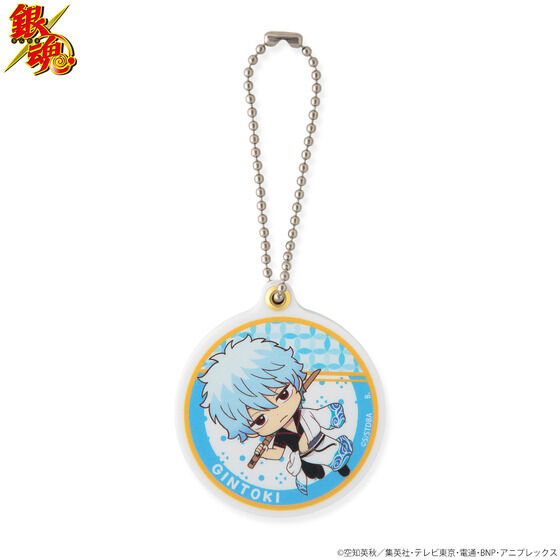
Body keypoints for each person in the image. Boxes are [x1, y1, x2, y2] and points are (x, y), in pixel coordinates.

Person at [199, 335, 353, 495]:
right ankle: (316, 471)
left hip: (322, 442)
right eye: (260, 419)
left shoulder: (304, 415)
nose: (278, 413)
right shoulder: (280, 435)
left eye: (283, 395)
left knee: (337, 458)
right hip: (307, 456)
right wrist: (263, 453)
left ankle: (341, 467)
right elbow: (278, 453)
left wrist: (320, 426)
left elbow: (320, 417)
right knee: (313, 470)